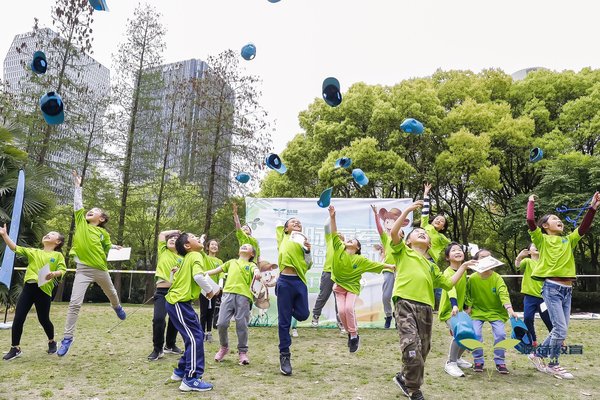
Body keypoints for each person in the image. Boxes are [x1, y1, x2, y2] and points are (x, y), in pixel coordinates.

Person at [390, 201, 474, 400]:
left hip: (426, 309)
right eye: (417, 232)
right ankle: (413, 388)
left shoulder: (432, 266)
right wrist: (408, 211)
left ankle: (404, 377)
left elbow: (448, 283)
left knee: (423, 349)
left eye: (424, 234)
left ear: (429, 243)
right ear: (408, 241)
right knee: (411, 346)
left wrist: (463, 267)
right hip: (405, 304)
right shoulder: (403, 252)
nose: (421, 233)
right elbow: (394, 233)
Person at [526, 193, 600, 379]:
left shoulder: (568, 240)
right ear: (545, 226)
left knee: (559, 329)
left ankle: (538, 354)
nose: (559, 221)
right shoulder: (541, 239)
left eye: (560, 219)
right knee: (560, 329)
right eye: (554, 219)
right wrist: (531, 202)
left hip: (567, 290)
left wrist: (593, 208)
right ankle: (553, 364)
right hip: (552, 288)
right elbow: (530, 221)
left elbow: (583, 228)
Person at [58, 170, 125, 357]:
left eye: (95, 211)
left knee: (111, 293)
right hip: (82, 270)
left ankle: (117, 307)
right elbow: (78, 204)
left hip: (100, 270)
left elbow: (105, 246)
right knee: (74, 304)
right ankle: (67, 338)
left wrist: (113, 247)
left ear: (101, 219)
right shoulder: (81, 223)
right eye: (90, 210)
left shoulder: (103, 233)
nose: (90, 211)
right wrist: (77, 187)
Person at [327, 205, 395, 352]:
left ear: (358, 247)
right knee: (341, 312)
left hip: (352, 288)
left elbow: (376, 265)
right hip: (339, 287)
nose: (349, 240)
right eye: (349, 239)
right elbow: (333, 231)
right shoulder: (338, 248)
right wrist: (333, 217)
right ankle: (351, 333)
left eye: (353, 240)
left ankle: (354, 335)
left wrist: (390, 267)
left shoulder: (361, 260)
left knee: (348, 308)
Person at [1, 225, 66, 361]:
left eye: (52, 234)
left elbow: (62, 270)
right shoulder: (33, 252)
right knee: (18, 318)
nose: (48, 234)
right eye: (47, 233)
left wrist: (54, 273)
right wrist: (4, 235)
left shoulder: (57, 255)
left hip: (44, 290)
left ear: (58, 242)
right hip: (29, 288)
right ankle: (15, 348)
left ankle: (52, 341)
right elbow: (15, 248)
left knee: (43, 319)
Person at [167, 233, 216, 392]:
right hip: (179, 303)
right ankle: (191, 379)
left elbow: (174, 277)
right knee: (196, 338)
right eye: (194, 237)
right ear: (188, 246)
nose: (199, 240)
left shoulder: (189, 256)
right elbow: (198, 276)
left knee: (195, 336)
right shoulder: (195, 255)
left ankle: (181, 370)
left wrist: (199, 240)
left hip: (179, 303)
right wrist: (209, 291)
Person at [465, 249, 518, 374]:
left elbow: (503, 294)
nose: (486, 259)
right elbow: (469, 295)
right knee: (476, 335)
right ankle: (478, 360)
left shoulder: (497, 278)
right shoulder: (472, 278)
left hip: (496, 312)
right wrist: (469, 309)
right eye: (483, 257)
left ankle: (500, 362)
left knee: (500, 335)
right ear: (476, 261)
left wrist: (510, 310)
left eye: (489, 257)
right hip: (477, 312)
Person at [208, 244, 260, 366]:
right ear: (238, 251)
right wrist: (200, 273)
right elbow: (215, 271)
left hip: (244, 297)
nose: (244, 246)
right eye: (242, 245)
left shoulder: (251, 265)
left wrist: (257, 273)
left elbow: (256, 271)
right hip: (227, 295)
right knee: (221, 323)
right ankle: (224, 347)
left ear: (252, 254)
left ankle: (242, 352)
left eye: (247, 246)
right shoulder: (231, 262)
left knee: (241, 325)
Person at [275, 217, 312, 376]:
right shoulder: (283, 237)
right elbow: (278, 224)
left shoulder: (303, 243)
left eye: (299, 222)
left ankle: (286, 309)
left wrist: (308, 251)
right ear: (286, 229)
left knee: (303, 315)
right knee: (284, 323)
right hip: (284, 281)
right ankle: (285, 355)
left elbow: (308, 264)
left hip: (299, 281)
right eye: (293, 222)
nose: (297, 223)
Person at [438, 242, 472, 377]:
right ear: (447, 257)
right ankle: (450, 363)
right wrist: (454, 305)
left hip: (459, 310)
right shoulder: (447, 272)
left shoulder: (463, 272)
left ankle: (457, 358)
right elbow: (450, 289)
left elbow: (466, 290)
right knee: (460, 332)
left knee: (469, 333)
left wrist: (467, 305)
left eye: (459, 250)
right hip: (449, 310)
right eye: (453, 251)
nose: (458, 252)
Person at [148, 230, 183, 361]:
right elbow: (162, 234)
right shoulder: (163, 251)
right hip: (162, 292)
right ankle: (157, 349)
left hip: (177, 292)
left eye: (176, 239)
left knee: (175, 320)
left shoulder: (183, 257)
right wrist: (176, 232)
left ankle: (170, 345)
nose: (173, 239)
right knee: (158, 319)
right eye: (171, 238)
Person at [515, 243, 553, 355]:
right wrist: (519, 257)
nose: (536, 247)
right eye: (533, 246)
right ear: (529, 251)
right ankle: (533, 340)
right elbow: (517, 265)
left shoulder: (545, 262)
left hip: (543, 297)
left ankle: (557, 339)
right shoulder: (527, 262)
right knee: (527, 318)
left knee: (547, 319)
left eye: (538, 245)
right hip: (529, 297)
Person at [371, 204, 402, 329]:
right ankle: (389, 316)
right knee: (386, 296)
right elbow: (379, 229)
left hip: (401, 272)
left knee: (399, 297)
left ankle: (398, 318)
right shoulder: (386, 239)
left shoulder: (404, 244)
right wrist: (375, 215)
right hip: (389, 270)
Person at [422, 183, 451, 304]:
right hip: (418, 258)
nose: (438, 220)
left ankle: (449, 305)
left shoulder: (442, 237)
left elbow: (454, 245)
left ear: (443, 227)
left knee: (438, 285)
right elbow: (425, 211)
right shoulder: (425, 225)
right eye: (437, 219)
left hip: (431, 262)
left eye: (442, 221)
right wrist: (426, 194)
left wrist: (470, 248)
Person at [201, 239, 223, 343]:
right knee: (204, 311)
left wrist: (220, 287)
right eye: (212, 244)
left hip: (214, 289)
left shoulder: (220, 262)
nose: (214, 246)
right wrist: (201, 240)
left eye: (216, 245)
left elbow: (221, 275)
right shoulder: (205, 257)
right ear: (208, 247)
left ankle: (209, 332)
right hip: (204, 288)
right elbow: (200, 251)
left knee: (211, 311)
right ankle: (201, 333)